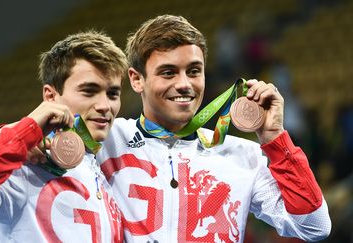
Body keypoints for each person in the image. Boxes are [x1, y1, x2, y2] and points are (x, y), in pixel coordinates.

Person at [96, 15, 331, 242]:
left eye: (194, 71)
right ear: (137, 79)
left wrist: (276, 140)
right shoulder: (106, 139)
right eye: (168, 72)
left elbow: (314, 226)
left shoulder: (241, 155)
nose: (184, 84)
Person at [0, 30, 128, 242]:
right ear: (51, 95)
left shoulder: (99, 168)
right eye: (89, 91)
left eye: (112, 94)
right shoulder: (26, 165)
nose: (104, 106)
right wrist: (21, 134)